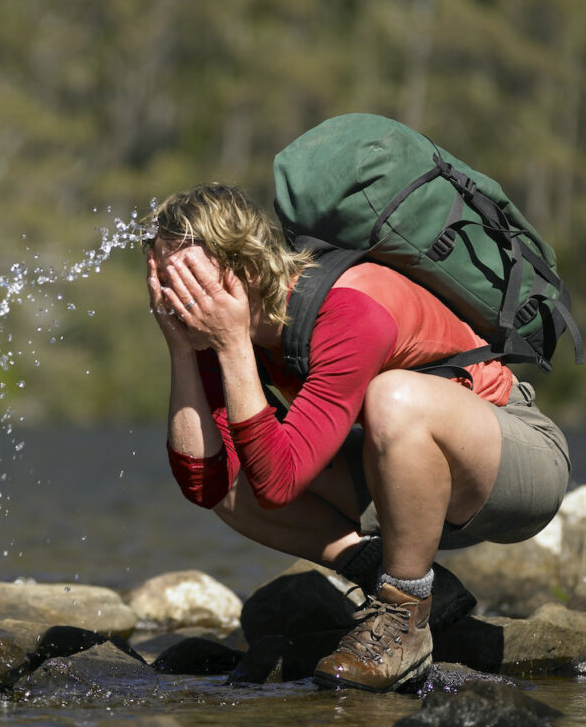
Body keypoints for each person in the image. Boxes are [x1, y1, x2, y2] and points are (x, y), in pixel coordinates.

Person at [144, 182, 570, 693]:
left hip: (516, 465)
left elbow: (279, 485)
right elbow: (205, 484)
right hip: (409, 487)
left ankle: (402, 616)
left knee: (393, 399)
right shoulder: (225, 328)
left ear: (246, 269)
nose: (174, 295)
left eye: (187, 278)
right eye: (162, 279)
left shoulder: (349, 309)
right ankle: (397, 579)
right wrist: (181, 349)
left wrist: (231, 344)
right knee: (233, 480)